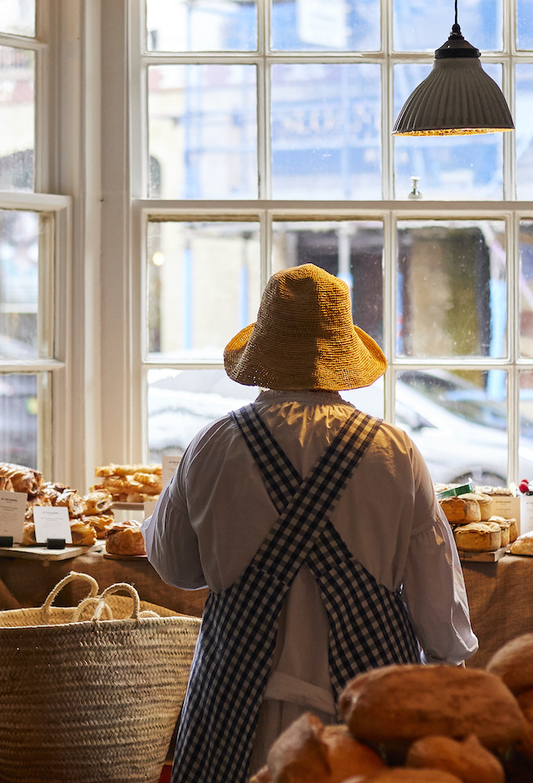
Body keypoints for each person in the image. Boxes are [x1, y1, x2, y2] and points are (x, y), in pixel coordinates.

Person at [143, 263, 477, 782]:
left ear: (263, 352)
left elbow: (175, 567)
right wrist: (447, 663)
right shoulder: (393, 449)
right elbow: (434, 585)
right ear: (344, 356)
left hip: (237, 695)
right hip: (365, 699)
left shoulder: (212, 445)